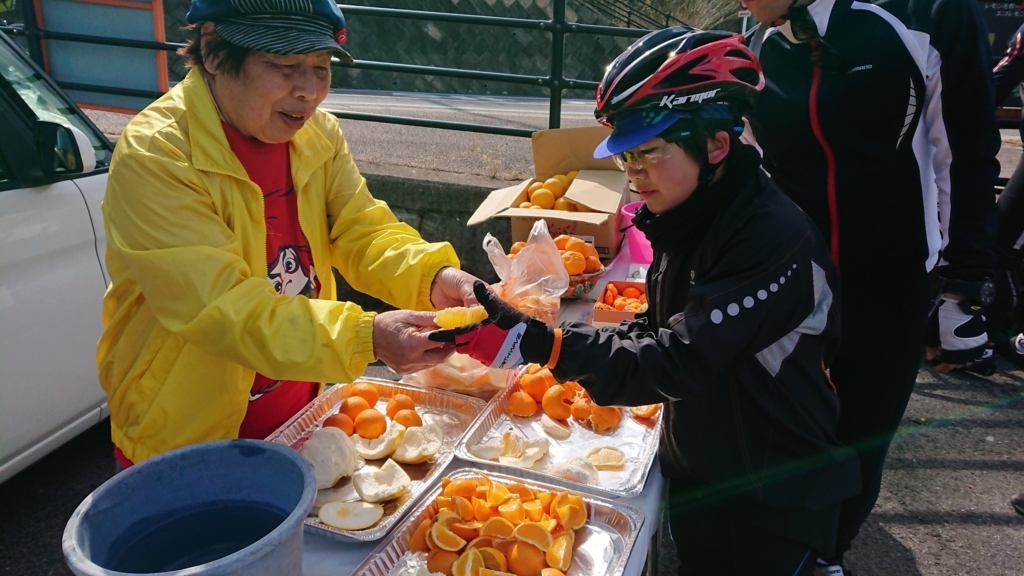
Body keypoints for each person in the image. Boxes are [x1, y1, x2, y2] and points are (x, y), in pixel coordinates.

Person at [433, 29, 861, 575]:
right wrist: (542, 339)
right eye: (626, 161)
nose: (633, 181)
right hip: (706, 465)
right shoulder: (694, 216)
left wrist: (539, 342)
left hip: (771, 489)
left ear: (715, 146)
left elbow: (677, 358)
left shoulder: (772, 239)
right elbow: (654, 329)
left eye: (648, 156)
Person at [97, 0, 479, 468]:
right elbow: (222, 307)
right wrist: (365, 338)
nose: (309, 92)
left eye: (320, 68)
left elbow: (362, 229)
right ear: (214, 53)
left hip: (301, 416)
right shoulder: (157, 154)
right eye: (284, 66)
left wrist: (435, 278)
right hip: (186, 437)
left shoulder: (317, 135)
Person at [741, 0, 1001, 573]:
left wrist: (961, 284)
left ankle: (824, 556)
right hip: (788, 273)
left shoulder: (930, 14)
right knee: (782, 426)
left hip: (890, 274)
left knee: (861, 432)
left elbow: (963, 153)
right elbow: (755, 156)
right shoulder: (759, 33)